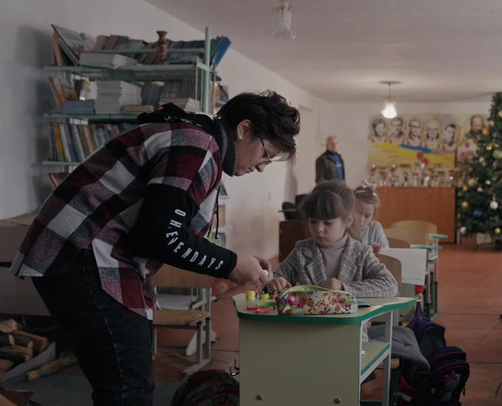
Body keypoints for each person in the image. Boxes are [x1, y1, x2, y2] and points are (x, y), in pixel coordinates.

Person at [10, 91, 301, 406]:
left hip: (82, 251)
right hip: (82, 253)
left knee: (124, 382)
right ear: (244, 130)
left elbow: (165, 230)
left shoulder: (198, 141)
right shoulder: (198, 146)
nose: (262, 166)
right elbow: (159, 236)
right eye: (266, 154)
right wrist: (231, 263)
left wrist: (237, 261)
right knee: (129, 387)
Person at [267, 180, 398, 297]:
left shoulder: (361, 253)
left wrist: (344, 287)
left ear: (348, 220)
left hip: (350, 324)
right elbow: (277, 278)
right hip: (310, 324)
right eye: (313, 221)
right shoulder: (302, 251)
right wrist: (275, 282)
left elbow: (390, 285)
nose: (319, 229)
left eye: (328, 223)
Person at [353, 181, 389, 254]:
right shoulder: (345, 227)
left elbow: (387, 253)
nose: (361, 219)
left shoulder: (376, 227)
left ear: (373, 216)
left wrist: (379, 250)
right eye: (358, 213)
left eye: (367, 216)